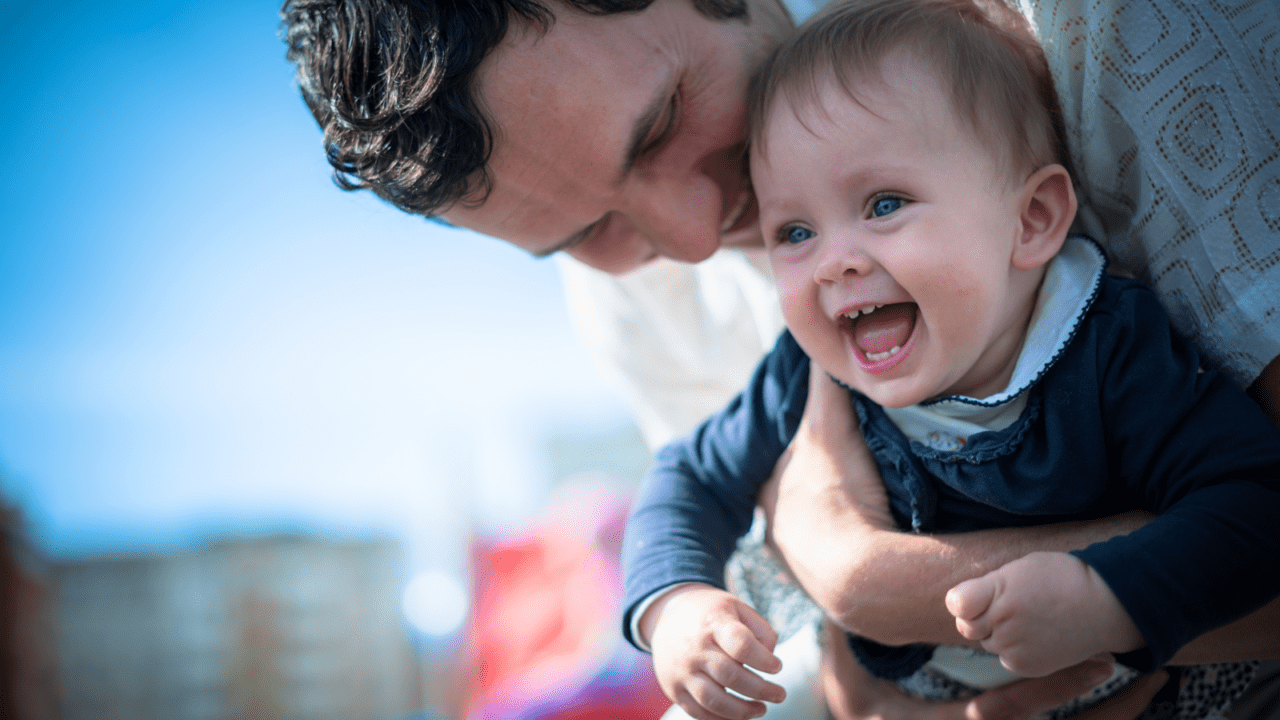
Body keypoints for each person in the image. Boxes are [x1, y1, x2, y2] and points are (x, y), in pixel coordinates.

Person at [277, 0, 1280, 718]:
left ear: (1035, 216)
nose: (695, 231)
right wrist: (693, 614)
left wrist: (866, 580)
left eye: (662, 122)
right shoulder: (655, 311)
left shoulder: (1122, 57)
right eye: (584, 233)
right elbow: (730, 547)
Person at [618, 2, 1280, 720]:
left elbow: (1253, 499)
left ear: (1031, 220)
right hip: (882, 689)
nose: (834, 262)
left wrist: (1106, 592)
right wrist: (675, 605)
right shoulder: (807, 370)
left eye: (885, 203)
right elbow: (690, 475)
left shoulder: (1106, 349)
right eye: (796, 230)